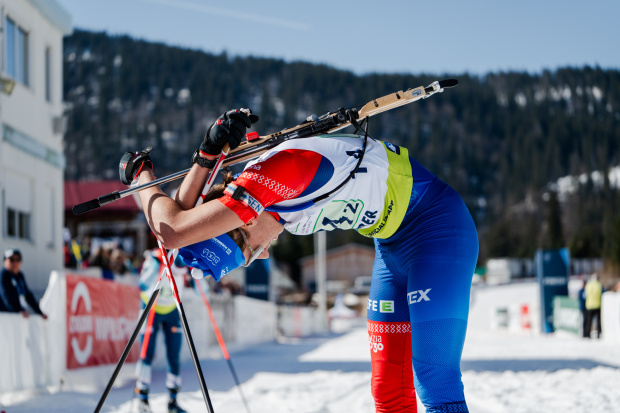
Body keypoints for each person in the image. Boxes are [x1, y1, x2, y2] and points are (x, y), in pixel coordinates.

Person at [120, 108, 479, 413]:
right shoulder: (259, 200)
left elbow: (172, 230)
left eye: (249, 251)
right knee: (388, 391)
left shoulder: (276, 177)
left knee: (435, 380)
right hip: (391, 248)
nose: (261, 255)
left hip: (437, 227)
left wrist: (141, 176)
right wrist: (206, 156)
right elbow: (184, 217)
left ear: (244, 220)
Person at [134, 249, 188, 413]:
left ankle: (173, 400)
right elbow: (142, 284)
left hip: (172, 310)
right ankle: (142, 399)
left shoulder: (182, 257)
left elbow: (203, 289)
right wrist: (158, 266)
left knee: (174, 355)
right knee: (146, 354)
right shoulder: (155, 258)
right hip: (151, 308)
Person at [0, 249, 48, 319]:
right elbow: (5, 296)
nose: (15, 263)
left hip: (18, 315)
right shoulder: (3, 275)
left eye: (17, 260)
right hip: (6, 316)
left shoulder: (20, 276)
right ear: (5, 261)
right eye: (11, 260)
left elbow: (28, 295)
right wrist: (17, 311)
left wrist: (39, 312)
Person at [584, 273, 603, 339]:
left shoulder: (588, 285)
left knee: (589, 321)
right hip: (597, 305)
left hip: (589, 305)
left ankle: (588, 334)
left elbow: (585, 294)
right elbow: (601, 293)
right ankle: (598, 334)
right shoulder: (599, 285)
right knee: (598, 321)